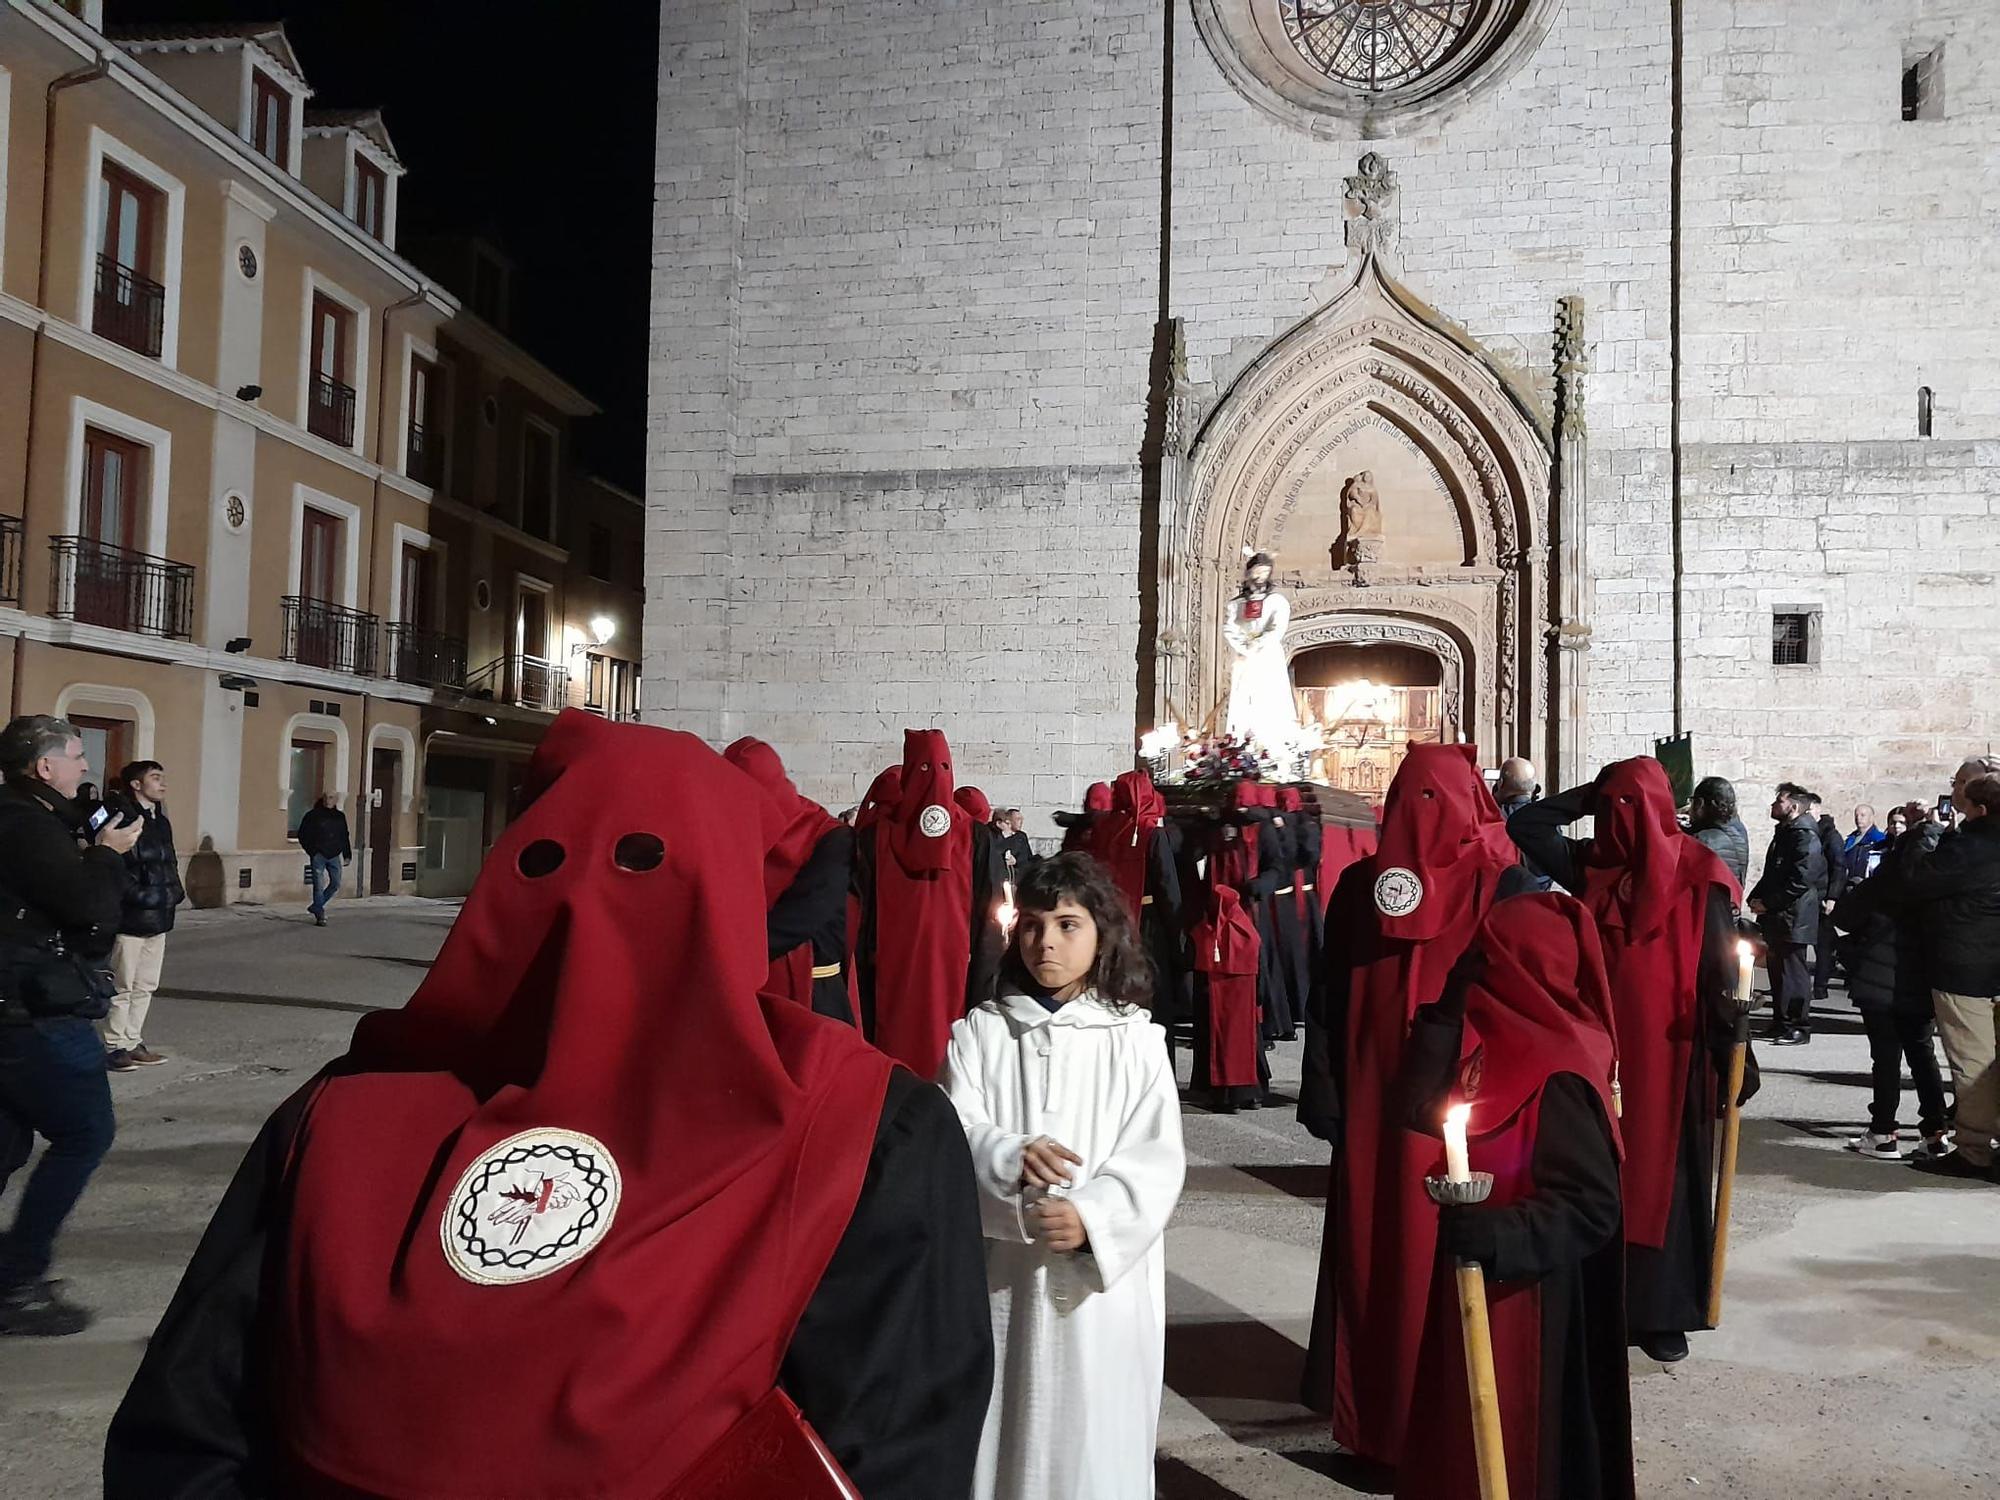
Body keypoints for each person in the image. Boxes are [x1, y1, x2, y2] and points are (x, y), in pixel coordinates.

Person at [105, 712, 993, 1497]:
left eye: (639, 862)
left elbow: (184, 1433)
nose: (585, 903)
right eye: (553, 861)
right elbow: (895, 1445)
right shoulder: (866, 1125)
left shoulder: (338, 1109)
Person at [1297, 744, 1522, 1468]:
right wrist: (1327, 1091)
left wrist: (1329, 1091)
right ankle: (1384, 1427)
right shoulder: (1483, 878)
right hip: (1421, 1106)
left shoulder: (1498, 884)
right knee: (1388, 1254)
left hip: (1443, 1107)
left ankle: (1424, 1428)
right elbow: (1329, 997)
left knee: (1416, 1251)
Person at [938, 852, 1185, 1500]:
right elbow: (951, 1135)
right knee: (1005, 1436)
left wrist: (1094, 1217)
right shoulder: (980, 1036)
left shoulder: (1134, 1041)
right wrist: (1005, 1158)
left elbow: (1157, 1158)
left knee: (1094, 1445)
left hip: (1099, 1299)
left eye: (1069, 924)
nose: (1047, 940)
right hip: (1003, 1288)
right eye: (1034, 924)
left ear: (1103, 933)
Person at [1507, 757, 1754, 1364]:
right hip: (1602, 1047)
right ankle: (1607, 1304)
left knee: (1664, 1176)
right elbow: (1527, 826)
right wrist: (1601, 793)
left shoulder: (1701, 873)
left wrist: (1733, 1054)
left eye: (1627, 806)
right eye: (1611, 806)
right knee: (1602, 1168)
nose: (1620, 818)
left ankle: (1664, 1311)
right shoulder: (1592, 866)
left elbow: (1723, 971)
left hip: (1674, 1052)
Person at [1395, 893, 1632, 1500]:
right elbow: (1422, 1109)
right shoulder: (1500, 1041)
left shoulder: (1560, 1069)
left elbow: (1592, 1204)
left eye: (1485, 956)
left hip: (1537, 1300)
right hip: (1481, 1281)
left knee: (1524, 1453)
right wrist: (1447, 1008)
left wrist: (1499, 1235)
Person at [0, 714, 141, 1336]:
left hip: (13, 1005)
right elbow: (87, 909)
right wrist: (107, 858)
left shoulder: (23, 815)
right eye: (77, 756)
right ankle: (18, 1280)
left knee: (4, 1146)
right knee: (86, 1133)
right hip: (32, 1013)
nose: (86, 767)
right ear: (44, 766)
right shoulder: (26, 825)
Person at [853, 729, 1001, 1075]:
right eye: (925, 769)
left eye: (942, 767)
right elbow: (989, 917)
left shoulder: (877, 834)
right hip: (947, 966)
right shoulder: (973, 834)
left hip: (897, 968)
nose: (935, 778)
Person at [1898, 758, 2000, 1180]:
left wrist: (1925, 834)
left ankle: (1974, 1150)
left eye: (1961, 787)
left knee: (1973, 1062)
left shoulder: (1970, 844)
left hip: (1966, 969)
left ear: (1979, 810)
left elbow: (1919, 882)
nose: (1954, 791)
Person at [1832, 809, 1950, 1161]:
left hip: (1880, 977)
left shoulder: (1888, 877)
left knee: (1885, 1056)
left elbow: (1846, 916)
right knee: (1922, 1053)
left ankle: (1884, 1130)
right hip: (1922, 978)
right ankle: (1934, 1132)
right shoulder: (1940, 881)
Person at [724, 737, 855, 1024]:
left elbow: (804, 915)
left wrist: (726, 957)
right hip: (745, 988)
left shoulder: (830, 838)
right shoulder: (730, 833)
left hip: (814, 993)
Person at [103, 760, 183, 1072]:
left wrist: (175, 892)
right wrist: (139, 896)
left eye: (163, 777)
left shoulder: (160, 821)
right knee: (123, 984)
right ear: (136, 785)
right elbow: (117, 867)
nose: (162, 784)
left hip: (159, 914)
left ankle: (133, 1040)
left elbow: (170, 861)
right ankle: (114, 1045)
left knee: (146, 984)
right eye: (155, 778)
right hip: (131, 917)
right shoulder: (122, 818)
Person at [1748, 783, 1826, 1046]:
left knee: (1794, 971)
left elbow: (1801, 878)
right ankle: (1781, 1021)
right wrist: (1757, 897)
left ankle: (1798, 1025)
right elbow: (1773, 873)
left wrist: (1769, 903)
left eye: (1778, 801)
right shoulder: (1785, 833)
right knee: (1778, 969)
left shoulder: (1804, 836)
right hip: (1779, 915)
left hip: (1794, 914)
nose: (1773, 805)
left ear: (1792, 807)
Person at [1222, 552, 1301, 756]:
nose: (1259, 577)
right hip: (1245, 656)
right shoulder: (1236, 604)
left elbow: (1277, 628)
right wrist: (1244, 646)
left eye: (1264, 572)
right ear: (1249, 573)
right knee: (1244, 700)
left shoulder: (1277, 601)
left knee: (1269, 698)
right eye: (1256, 572)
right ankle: (1242, 745)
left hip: (1267, 656)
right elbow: (1229, 628)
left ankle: (1273, 747)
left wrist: (1258, 644)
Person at [1809, 793, 1848, 1000]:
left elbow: (1839, 866)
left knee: (1822, 944)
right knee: (1821, 942)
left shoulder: (1830, 835)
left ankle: (1821, 986)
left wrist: (1833, 896)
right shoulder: (1811, 832)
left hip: (1824, 896)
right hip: (1813, 895)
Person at [1494, 756, 1554, 892]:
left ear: (1501, 783)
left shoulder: (1497, 818)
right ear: (1533, 786)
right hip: (1541, 895)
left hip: (1506, 899)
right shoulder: (1548, 819)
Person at [1686, 775, 1750, 890]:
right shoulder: (1739, 834)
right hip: (1728, 904)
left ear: (1699, 804)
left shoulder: (1702, 840)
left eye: (1692, 801)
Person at [296, 794, 351, 927]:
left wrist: (347, 854)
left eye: (332, 798)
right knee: (318, 885)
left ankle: (316, 906)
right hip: (319, 854)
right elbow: (302, 834)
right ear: (323, 799)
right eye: (326, 797)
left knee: (336, 883)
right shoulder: (313, 815)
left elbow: (344, 835)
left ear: (336, 800)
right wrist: (312, 851)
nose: (328, 800)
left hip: (334, 855)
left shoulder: (339, 817)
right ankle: (320, 915)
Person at [1843, 803, 1888, 890]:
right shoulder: (1850, 840)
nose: (1858, 818)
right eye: (1856, 815)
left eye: (1863, 815)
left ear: (1871, 817)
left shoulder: (1880, 839)